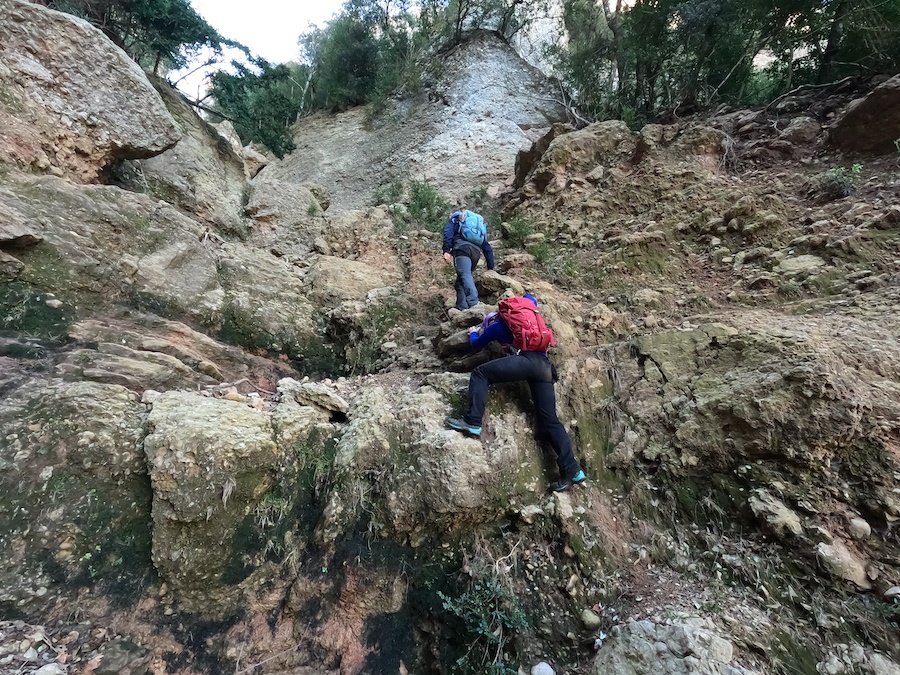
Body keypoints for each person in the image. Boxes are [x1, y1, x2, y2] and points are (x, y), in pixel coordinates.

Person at [446, 294, 586, 492]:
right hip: (544, 367)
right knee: (550, 420)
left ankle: (473, 421)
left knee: (480, 374)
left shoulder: (498, 323)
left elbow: (476, 345)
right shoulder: (535, 324)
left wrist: (473, 333)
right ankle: (572, 470)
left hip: (526, 362)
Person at [442, 208, 495, 310]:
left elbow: (448, 234)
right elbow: (486, 246)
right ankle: (462, 308)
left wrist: (446, 251)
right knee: (461, 280)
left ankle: (474, 302)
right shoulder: (476, 227)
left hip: (462, 249)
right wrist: (490, 266)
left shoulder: (455, 220)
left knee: (465, 275)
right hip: (476, 252)